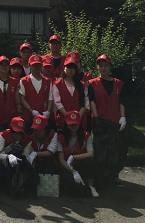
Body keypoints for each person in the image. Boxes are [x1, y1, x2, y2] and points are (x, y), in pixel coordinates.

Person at [88, 54, 128, 189]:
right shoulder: (92, 84)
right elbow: (92, 101)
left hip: (115, 121)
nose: (103, 68)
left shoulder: (119, 84)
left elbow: (122, 101)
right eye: (100, 66)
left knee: (116, 151)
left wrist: (123, 117)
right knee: (100, 151)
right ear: (97, 67)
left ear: (110, 67)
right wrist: (96, 117)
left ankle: (113, 176)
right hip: (101, 121)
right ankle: (100, 178)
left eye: (106, 66)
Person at [57, 110, 98, 197]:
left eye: (75, 124)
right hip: (67, 166)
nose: (73, 126)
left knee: (90, 161)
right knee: (70, 183)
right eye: (71, 124)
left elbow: (90, 153)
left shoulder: (86, 135)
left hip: (80, 163)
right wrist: (73, 171)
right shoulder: (61, 137)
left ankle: (91, 186)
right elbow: (61, 159)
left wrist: (74, 157)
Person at [0, 117, 37, 194]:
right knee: (0, 176)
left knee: (15, 152)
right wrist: (8, 156)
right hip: (3, 162)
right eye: (14, 132)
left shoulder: (27, 140)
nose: (17, 135)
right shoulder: (3, 135)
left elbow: (25, 156)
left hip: (18, 163)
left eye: (20, 133)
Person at [52, 57, 89, 130]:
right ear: (64, 68)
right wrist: (69, 117)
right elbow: (57, 103)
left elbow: (86, 103)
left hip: (79, 122)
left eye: (73, 68)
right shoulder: (57, 84)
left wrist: (76, 117)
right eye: (68, 67)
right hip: (62, 122)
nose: (70, 70)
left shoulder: (82, 85)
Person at [0, 56, 22, 133]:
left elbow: (18, 100)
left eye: (6, 65)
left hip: (12, 118)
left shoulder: (15, 82)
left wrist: (19, 114)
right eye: (1, 65)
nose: (4, 67)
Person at [19, 54, 53, 131]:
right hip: (28, 117)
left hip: (44, 115)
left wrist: (48, 111)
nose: (37, 67)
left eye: (38, 65)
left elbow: (50, 98)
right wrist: (31, 110)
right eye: (34, 65)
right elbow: (22, 98)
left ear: (41, 66)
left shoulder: (48, 81)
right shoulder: (24, 81)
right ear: (29, 66)